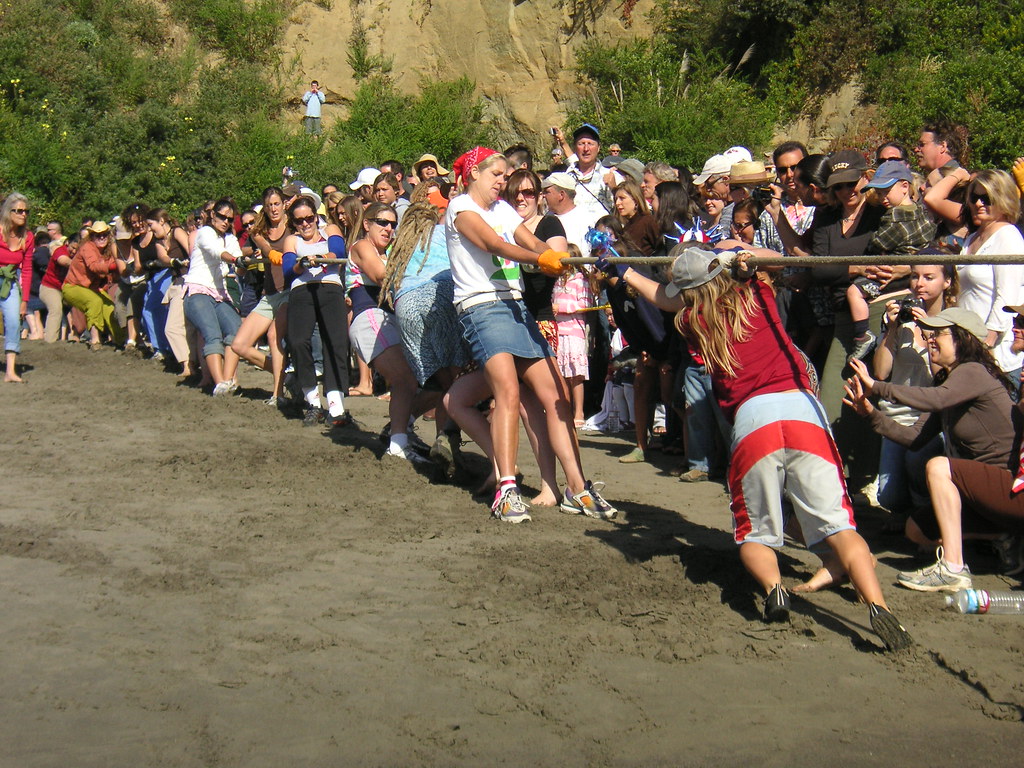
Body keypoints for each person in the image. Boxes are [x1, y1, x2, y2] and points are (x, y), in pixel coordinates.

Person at [617, 243, 912, 651]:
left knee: (755, 531)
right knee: (841, 526)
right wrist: (739, 253)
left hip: (753, 422)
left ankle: (774, 590)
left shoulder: (690, 320)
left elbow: (666, 299)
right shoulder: (757, 293)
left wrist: (625, 271)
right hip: (802, 411)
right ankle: (879, 607)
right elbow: (775, 256)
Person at [443, 146, 615, 523]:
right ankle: (507, 489)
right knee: (507, 391)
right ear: (474, 174)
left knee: (556, 394)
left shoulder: (503, 210)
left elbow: (530, 241)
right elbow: (493, 244)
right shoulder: (460, 208)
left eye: (505, 175)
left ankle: (577, 488)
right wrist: (540, 259)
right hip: (481, 307)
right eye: (496, 175)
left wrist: (554, 257)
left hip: (516, 307)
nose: (502, 182)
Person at [845, 308, 1017, 592]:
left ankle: (953, 568)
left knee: (939, 467)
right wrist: (871, 414)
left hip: (1011, 488)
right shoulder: (950, 384)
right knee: (916, 530)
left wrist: (877, 386)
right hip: (983, 494)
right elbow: (913, 438)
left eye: (940, 334)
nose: (930, 339)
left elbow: (935, 399)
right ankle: (1005, 535)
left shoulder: (973, 370)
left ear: (963, 338)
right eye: (931, 334)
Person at [347, 202, 433, 458]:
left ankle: (402, 427)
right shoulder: (362, 246)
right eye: (382, 222)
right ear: (367, 224)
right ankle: (398, 443)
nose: (388, 228)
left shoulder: (392, 251)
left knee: (437, 382)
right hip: (370, 317)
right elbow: (381, 276)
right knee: (404, 377)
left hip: (392, 320)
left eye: (393, 224)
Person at [842, 160, 937, 363]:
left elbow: (878, 243)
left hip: (890, 272)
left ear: (905, 186)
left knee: (853, 292)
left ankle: (862, 334)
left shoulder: (894, 216)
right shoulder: (922, 212)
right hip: (911, 271)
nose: (882, 198)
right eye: (879, 193)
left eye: (886, 191)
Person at [280, 195, 351, 427]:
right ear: (293, 222)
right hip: (302, 289)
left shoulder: (330, 230)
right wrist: (301, 264)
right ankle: (313, 402)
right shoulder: (292, 240)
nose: (305, 224)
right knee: (298, 341)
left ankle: (336, 406)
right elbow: (288, 270)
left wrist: (320, 258)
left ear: (316, 217)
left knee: (336, 342)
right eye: (299, 220)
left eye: (309, 218)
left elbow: (338, 253)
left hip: (329, 287)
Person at [954, 169, 1024, 394]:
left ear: (1003, 199)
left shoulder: (1008, 236)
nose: (978, 203)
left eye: (987, 198)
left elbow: (1008, 297)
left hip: (996, 355)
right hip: (969, 348)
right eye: (974, 197)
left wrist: (988, 341)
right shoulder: (972, 239)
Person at [231, 187, 291, 405]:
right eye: (269, 205)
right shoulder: (259, 231)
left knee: (274, 336)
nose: (273, 209)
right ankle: (285, 375)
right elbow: (265, 247)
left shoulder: (294, 225)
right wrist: (271, 253)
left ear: (284, 204)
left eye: (276, 204)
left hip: (290, 290)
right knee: (239, 345)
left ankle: (278, 394)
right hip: (270, 293)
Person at [183, 198, 243, 396]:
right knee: (212, 335)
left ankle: (228, 379)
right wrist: (236, 260)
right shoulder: (205, 233)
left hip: (219, 293)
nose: (225, 221)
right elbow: (218, 252)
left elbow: (238, 264)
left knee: (236, 330)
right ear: (212, 215)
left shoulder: (230, 239)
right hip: (198, 290)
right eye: (222, 217)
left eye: (229, 219)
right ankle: (220, 384)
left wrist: (246, 262)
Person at [61, 220, 127, 351]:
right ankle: (95, 340)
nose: (102, 237)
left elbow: (113, 275)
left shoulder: (109, 250)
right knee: (94, 302)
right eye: (98, 235)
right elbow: (95, 266)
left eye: (104, 234)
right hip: (73, 286)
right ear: (92, 236)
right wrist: (114, 266)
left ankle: (121, 341)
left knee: (110, 309)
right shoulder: (87, 247)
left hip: (92, 289)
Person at [0, 193, 35, 381]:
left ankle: (10, 371)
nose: (23, 214)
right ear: (8, 212)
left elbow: (27, 270)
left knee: (14, 321)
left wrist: (24, 301)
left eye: (26, 211)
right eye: (19, 211)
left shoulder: (27, 237)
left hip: (10, 281)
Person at [39, 233, 75, 343]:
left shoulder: (80, 254)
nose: (74, 251)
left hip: (67, 288)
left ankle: (78, 336)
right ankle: (50, 341)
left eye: (77, 249)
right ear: (67, 243)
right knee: (56, 309)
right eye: (73, 248)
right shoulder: (60, 251)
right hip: (50, 287)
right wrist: (78, 264)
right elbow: (63, 260)